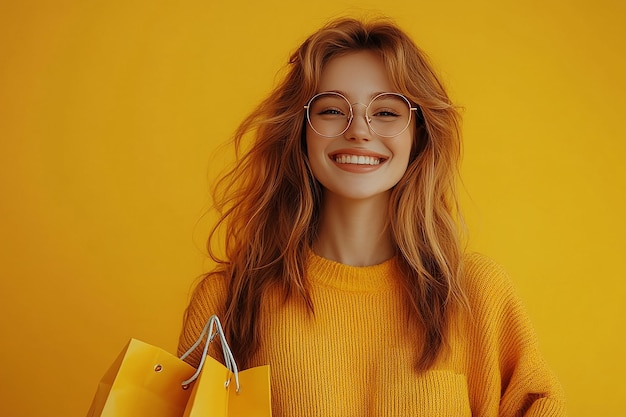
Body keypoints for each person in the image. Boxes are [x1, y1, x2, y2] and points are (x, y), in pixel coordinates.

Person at [178, 17, 566, 416]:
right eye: (331, 109)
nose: (359, 130)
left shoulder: (477, 295)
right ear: (300, 130)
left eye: (385, 112)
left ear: (418, 134)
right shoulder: (230, 300)